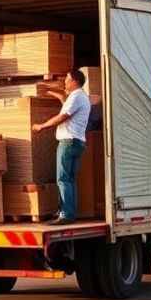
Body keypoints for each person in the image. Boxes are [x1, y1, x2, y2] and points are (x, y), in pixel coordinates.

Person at [32, 70, 91, 225]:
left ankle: (66, 214)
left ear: (75, 82)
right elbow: (66, 103)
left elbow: (63, 116)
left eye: (67, 79)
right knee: (69, 180)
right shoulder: (80, 96)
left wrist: (41, 126)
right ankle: (68, 212)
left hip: (68, 143)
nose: (65, 82)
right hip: (76, 143)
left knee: (63, 179)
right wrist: (51, 92)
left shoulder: (77, 96)